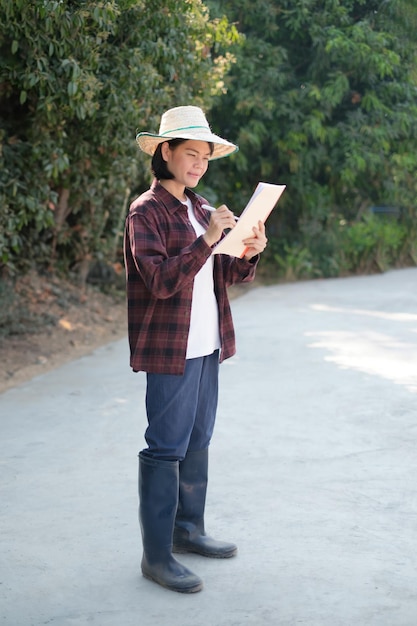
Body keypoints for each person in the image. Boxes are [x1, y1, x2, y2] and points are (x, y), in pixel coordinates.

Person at [124, 105, 267, 593]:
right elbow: (161, 281)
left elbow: (221, 274)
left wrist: (246, 252)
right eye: (190, 154)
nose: (199, 165)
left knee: (198, 439)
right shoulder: (146, 211)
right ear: (165, 152)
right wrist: (207, 240)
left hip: (208, 344)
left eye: (205, 157)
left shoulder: (201, 206)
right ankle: (157, 556)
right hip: (171, 348)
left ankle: (188, 532)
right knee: (166, 446)